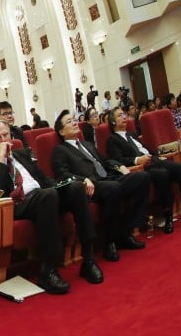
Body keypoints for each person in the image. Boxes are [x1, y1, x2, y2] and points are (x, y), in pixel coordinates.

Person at [0, 120, 103, 291]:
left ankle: (88, 259)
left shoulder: (22, 154)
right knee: (48, 195)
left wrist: (60, 186)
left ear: (11, 135)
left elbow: (43, 179)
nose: (3, 139)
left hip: (44, 195)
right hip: (19, 203)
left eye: (5, 135)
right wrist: (1, 158)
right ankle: (48, 269)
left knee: (75, 188)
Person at [51, 110, 150, 263]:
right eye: (69, 121)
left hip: (109, 178)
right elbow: (61, 174)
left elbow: (105, 161)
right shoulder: (60, 150)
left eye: (74, 119)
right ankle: (109, 242)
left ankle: (126, 230)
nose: (75, 122)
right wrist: (83, 179)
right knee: (113, 188)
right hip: (91, 185)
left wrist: (120, 166)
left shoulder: (87, 144)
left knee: (142, 177)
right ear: (61, 131)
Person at [105, 107, 181, 232]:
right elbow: (117, 161)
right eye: (120, 116)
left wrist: (157, 157)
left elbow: (146, 150)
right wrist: (137, 160)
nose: (124, 117)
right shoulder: (112, 140)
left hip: (154, 161)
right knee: (162, 174)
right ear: (113, 122)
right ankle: (168, 216)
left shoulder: (132, 134)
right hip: (142, 168)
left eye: (124, 115)